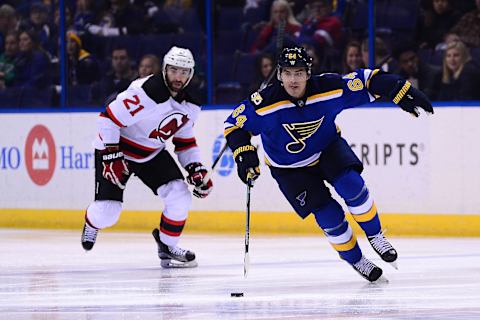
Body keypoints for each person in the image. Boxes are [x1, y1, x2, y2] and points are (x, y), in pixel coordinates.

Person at [224, 46, 433, 282]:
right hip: (289, 169)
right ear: (280, 75)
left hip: (327, 148)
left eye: (300, 73)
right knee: (329, 216)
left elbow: (366, 80)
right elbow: (234, 125)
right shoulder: (264, 103)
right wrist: (244, 154)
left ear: (309, 73)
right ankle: (357, 260)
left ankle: (375, 236)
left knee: (351, 185)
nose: (294, 79)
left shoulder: (326, 88)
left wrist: (398, 89)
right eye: (289, 73)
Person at [81, 46, 213, 268]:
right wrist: (111, 155)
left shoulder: (192, 103)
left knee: (180, 196)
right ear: (164, 70)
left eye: (184, 72)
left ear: (191, 74)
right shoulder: (148, 91)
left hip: (151, 152)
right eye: (173, 70)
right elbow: (107, 118)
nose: (178, 77)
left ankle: (167, 245)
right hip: (119, 149)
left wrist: (195, 168)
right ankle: (91, 224)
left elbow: (184, 141)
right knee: (107, 213)